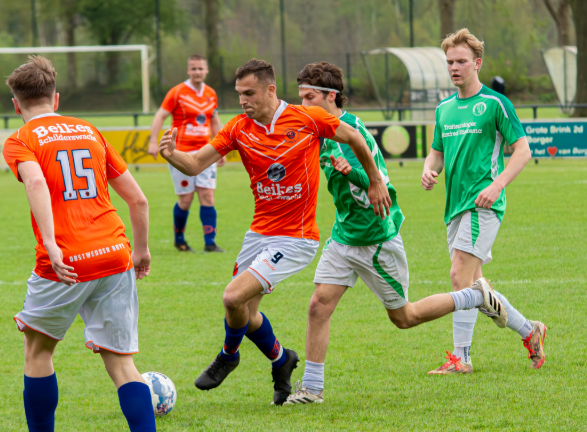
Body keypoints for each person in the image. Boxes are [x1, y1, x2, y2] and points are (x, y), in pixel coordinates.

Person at [284, 62, 519, 405]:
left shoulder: (351, 132)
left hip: (374, 238)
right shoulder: (319, 131)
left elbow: (378, 187)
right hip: (344, 235)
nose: (303, 105)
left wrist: (354, 174)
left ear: (331, 96)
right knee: (318, 305)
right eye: (300, 98)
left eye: (310, 98)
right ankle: (312, 390)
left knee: (403, 318)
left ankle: (474, 296)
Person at [159, 58, 392, 405]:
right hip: (259, 233)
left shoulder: (307, 118)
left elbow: (354, 136)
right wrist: (171, 154)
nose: (242, 101)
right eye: (239, 94)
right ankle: (282, 361)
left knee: (232, 297)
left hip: (296, 238)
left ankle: (228, 355)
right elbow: (195, 164)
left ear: (270, 90)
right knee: (246, 315)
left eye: (249, 93)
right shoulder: (239, 128)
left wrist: (374, 179)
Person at [2, 56, 170, 432]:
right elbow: (139, 200)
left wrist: (55, 245)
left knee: (38, 353)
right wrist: (143, 251)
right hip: (115, 252)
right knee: (122, 363)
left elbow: (37, 183)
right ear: (56, 98)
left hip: (67, 263)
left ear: (17, 104)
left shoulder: (21, 138)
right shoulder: (90, 131)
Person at [422, 29, 545, 374]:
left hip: (483, 204)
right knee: (477, 287)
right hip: (455, 207)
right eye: (449, 62)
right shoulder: (444, 109)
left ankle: (461, 358)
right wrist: (428, 170)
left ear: (477, 63)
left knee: (458, 277)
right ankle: (529, 330)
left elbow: (523, 150)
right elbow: (436, 154)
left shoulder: (494, 104)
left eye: (461, 61)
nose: (454, 67)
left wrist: (498, 185)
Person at [148, 54, 226, 252]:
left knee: (208, 196)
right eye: (194, 69)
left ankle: (210, 243)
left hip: (206, 151)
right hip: (180, 152)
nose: (197, 72)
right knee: (186, 199)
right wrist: (153, 141)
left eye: (200, 68)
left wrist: (222, 148)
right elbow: (160, 116)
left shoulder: (211, 93)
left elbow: (215, 121)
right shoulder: (177, 92)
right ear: (188, 70)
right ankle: (179, 239)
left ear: (206, 70)